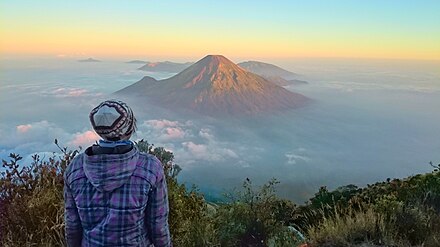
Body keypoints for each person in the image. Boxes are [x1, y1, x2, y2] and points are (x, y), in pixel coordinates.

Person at [64, 100, 171, 247]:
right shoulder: (150, 169)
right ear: (129, 128)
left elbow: (72, 226)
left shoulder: (75, 169)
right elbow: (158, 226)